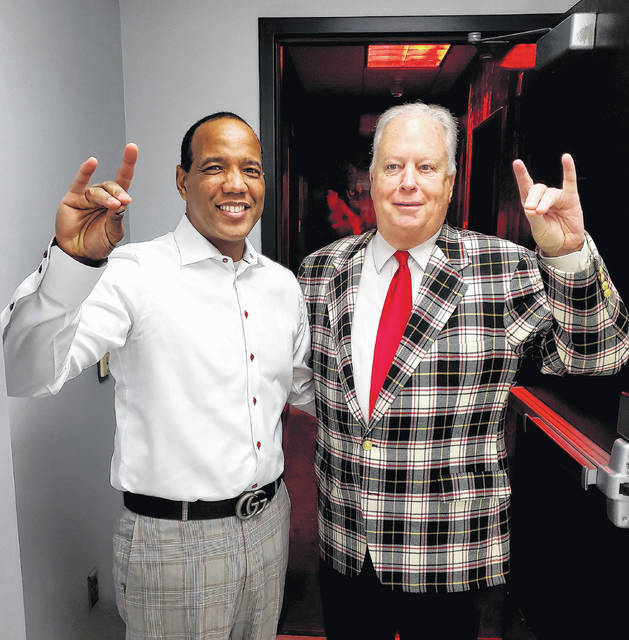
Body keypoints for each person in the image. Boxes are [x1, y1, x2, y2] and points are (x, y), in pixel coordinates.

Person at [297, 102, 629, 640]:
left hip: (450, 551)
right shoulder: (320, 271)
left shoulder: (505, 267)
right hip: (348, 547)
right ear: (370, 178)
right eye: (392, 166)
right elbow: (311, 387)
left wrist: (569, 258)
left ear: (450, 183)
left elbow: (599, 355)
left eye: (426, 167)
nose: (408, 183)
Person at [2, 112, 314, 640]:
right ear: (181, 180)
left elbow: (308, 389)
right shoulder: (132, 274)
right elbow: (25, 373)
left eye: (251, 170)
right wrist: (71, 266)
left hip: (270, 526)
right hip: (174, 543)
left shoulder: (283, 286)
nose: (236, 184)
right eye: (215, 166)